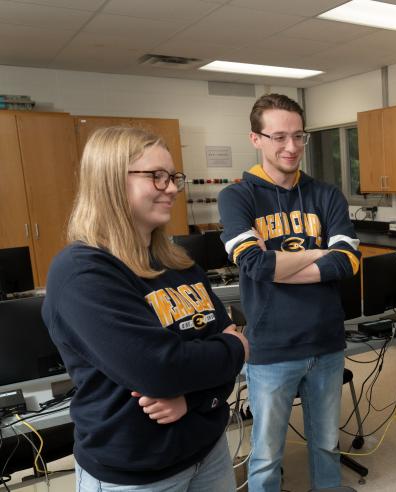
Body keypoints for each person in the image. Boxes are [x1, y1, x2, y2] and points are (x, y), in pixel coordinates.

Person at [42, 126, 249, 491]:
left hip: (209, 448)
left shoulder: (176, 262)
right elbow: (160, 368)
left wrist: (193, 397)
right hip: (137, 473)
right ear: (109, 180)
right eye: (156, 176)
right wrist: (235, 349)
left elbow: (220, 340)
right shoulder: (82, 273)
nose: (171, 187)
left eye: (172, 177)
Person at [218, 93, 361, 491]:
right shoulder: (237, 196)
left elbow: (348, 261)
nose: (291, 147)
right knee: (266, 455)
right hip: (271, 350)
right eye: (279, 136)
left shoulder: (326, 194)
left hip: (327, 344)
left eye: (299, 136)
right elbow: (253, 264)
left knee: (328, 444)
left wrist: (280, 265)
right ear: (256, 139)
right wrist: (319, 252)